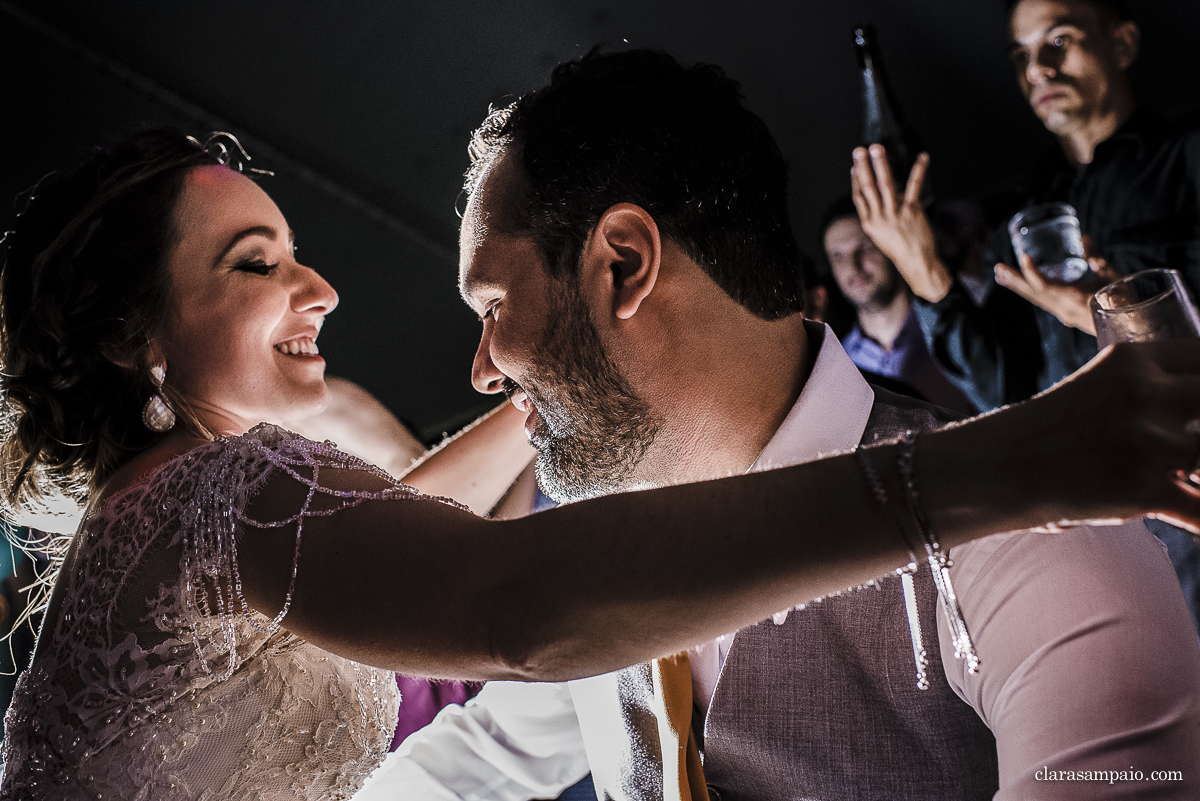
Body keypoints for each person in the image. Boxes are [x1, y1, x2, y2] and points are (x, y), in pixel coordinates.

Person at [3, 132, 1190, 800]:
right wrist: (1033, 453)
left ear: (628, 270)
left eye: (296, 255)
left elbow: (407, 529)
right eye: (256, 264)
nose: (318, 290)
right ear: (132, 338)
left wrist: (562, 383)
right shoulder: (221, 492)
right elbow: (513, 600)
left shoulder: (176, 507)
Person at [359, 49, 1200, 801]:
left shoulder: (1038, 537)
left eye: (495, 305)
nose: (481, 367)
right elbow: (482, 755)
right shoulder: (595, 569)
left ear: (623, 264)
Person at [852, 0, 1200, 634]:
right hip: (1094, 531)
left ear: (1121, 43)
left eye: (1059, 41)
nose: (1037, 68)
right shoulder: (1030, 215)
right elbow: (1000, 385)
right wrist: (921, 266)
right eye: (1021, 56)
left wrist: (1106, 313)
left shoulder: (1187, 164)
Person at [821, 196, 974, 413]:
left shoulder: (950, 327)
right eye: (838, 256)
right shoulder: (840, 363)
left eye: (865, 248)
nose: (853, 266)